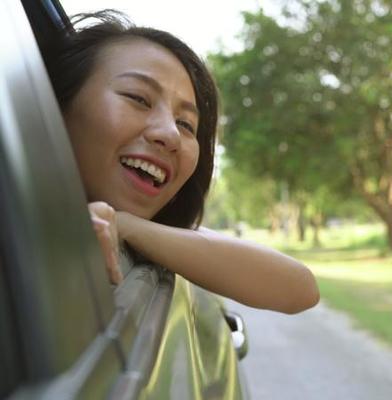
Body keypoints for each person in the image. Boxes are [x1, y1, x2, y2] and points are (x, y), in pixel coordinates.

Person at [47, 10, 319, 314]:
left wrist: (125, 225)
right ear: (54, 107)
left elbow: (300, 288)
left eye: (186, 124)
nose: (171, 135)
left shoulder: (154, 234)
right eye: (138, 98)